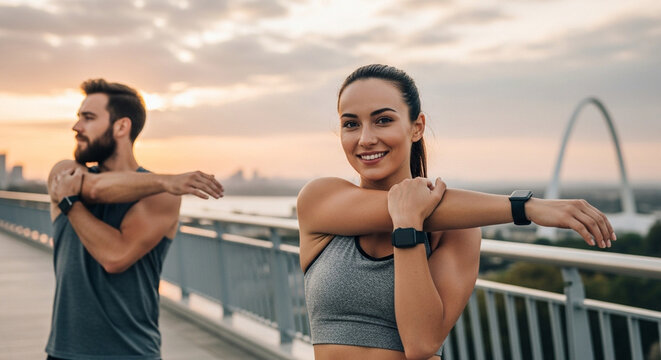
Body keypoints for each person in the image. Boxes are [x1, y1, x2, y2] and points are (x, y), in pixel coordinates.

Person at [297, 64, 615, 360]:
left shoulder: (459, 229)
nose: (365, 138)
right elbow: (388, 209)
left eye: (383, 120)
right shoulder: (319, 199)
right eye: (351, 124)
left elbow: (421, 343)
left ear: (416, 127)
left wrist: (407, 224)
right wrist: (527, 207)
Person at [46, 79, 224, 360]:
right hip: (65, 351)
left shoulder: (161, 196)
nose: (76, 127)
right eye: (78, 117)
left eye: (88, 118)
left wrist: (71, 204)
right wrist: (166, 180)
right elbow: (92, 188)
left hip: (132, 352)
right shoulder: (64, 172)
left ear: (121, 127)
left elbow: (115, 257)